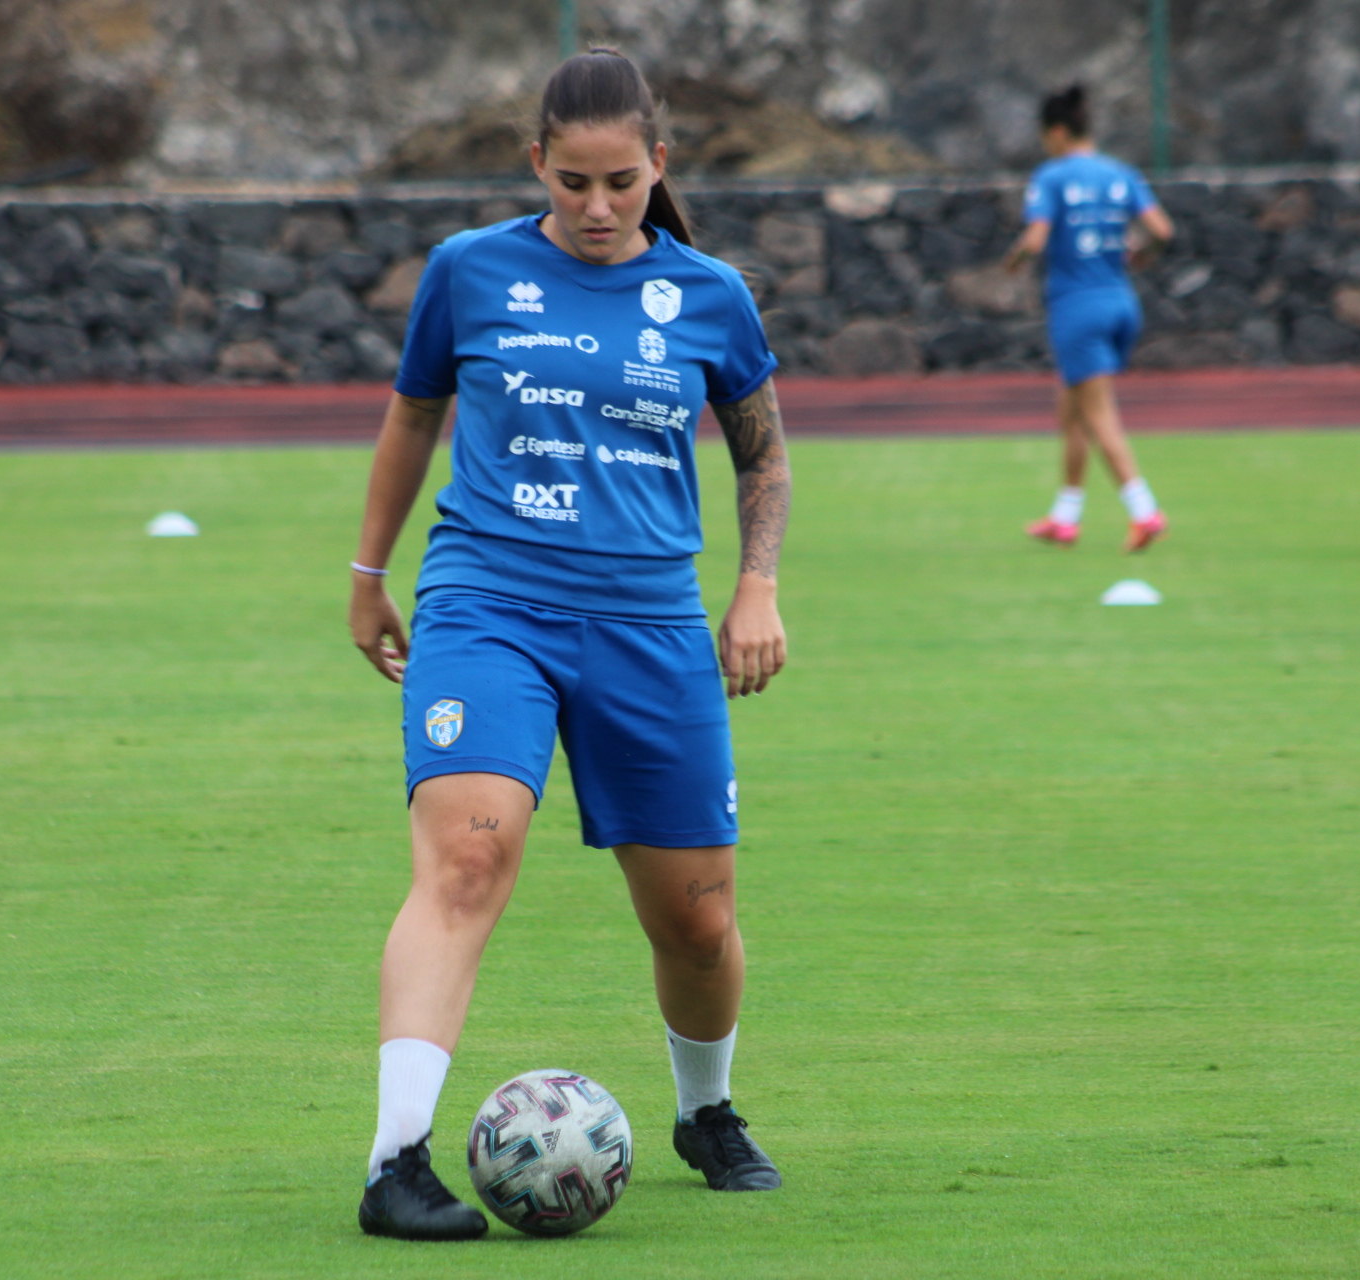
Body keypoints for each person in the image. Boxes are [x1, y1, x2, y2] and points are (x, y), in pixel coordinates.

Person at [346, 48, 793, 1241]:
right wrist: (366, 573)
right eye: (574, 182)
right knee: (467, 862)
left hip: (651, 627)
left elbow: (762, 453)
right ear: (535, 161)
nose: (597, 209)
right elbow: (412, 413)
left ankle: (707, 1111)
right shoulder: (470, 271)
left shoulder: (709, 295)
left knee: (697, 917)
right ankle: (395, 1162)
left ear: (661, 166)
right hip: (488, 604)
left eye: (621, 183)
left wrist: (755, 588)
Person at [1003, 83, 1176, 552]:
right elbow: (1162, 230)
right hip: (1122, 303)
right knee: (1072, 407)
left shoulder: (1052, 176)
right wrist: (1139, 253)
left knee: (1098, 415)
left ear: (1058, 132)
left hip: (1077, 308)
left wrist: (1012, 261)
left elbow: (1036, 240)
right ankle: (1066, 517)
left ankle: (1145, 512)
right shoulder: (1121, 173)